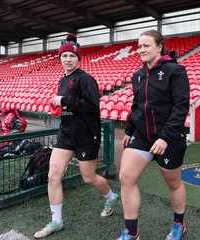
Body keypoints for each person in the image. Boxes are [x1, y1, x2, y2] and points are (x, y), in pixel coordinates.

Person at [34, 34, 119, 239]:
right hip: (66, 135)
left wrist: (65, 100)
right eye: (65, 56)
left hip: (86, 136)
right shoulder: (63, 80)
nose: (68, 59)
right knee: (53, 176)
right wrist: (58, 105)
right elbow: (65, 105)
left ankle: (111, 197)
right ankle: (56, 221)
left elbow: (92, 107)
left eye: (72, 56)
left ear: (78, 58)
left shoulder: (85, 79)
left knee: (88, 178)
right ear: (60, 58)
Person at [116, 30, 190, 240]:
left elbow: (180, 107)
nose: (141, 50)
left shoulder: (176, 71)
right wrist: (129, 131)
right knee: (126, 176)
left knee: (173, 183)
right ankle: (131, 232)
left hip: (170, 138)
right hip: (141, 135)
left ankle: (178, 224)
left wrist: (165, 137)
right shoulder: (138, 75)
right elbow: (137, 105)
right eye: (139, 46)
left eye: (146, 45)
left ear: (159, 46)